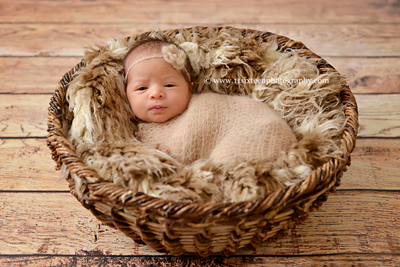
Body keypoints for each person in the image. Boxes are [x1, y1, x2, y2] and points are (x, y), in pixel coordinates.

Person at [123, 37, 297, 166]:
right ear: (125, 94)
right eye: (142, 88)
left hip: (258, 132)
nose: (156, 94)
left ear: (189, 88)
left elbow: (178, 154)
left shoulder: (202, 105)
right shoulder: (128, 132)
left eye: (169, 85)